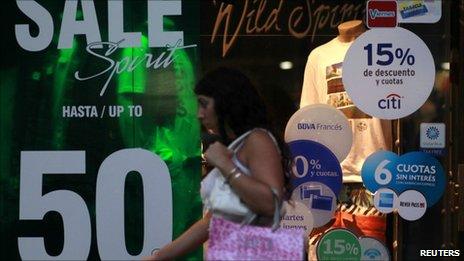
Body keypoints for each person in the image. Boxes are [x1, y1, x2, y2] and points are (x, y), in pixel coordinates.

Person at [145, 67, 291, 260]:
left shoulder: (257, 139)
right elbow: (211, 222)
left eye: (204, 104)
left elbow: (270, 203)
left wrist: (225, 165)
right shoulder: (237, 145)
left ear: (225, 103)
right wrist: (158, 257)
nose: (199, 114)